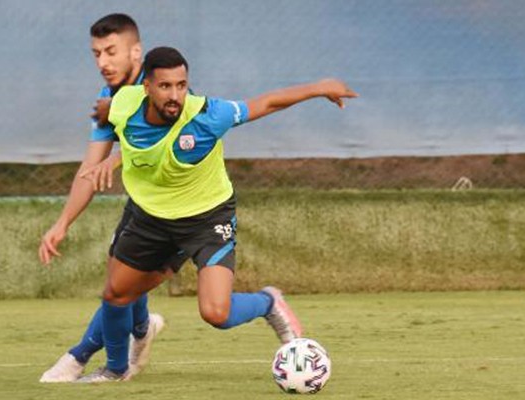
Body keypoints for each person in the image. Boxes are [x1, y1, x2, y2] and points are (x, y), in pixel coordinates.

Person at [73, 47, 358, 382]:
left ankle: (268, 302)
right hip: (153, 217)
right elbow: (116, 115)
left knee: (215, 313)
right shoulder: (124, 102)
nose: (175, 95)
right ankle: (115, 370)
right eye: (165, 86)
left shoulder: (208, 115)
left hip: (207, 218)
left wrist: (319, 88)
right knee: (116, 294)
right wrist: (109, 136)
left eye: (181, 85)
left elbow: (267, 103)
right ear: (146, 87)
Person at [38, 14, 179, 383]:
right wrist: (62, 223)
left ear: (136, 52)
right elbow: (90, 168)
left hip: (185, 210)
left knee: (123, 287)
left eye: (111, 51)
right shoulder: (108, 98)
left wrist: (118, 154)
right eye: (96, 53)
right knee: (121, 278)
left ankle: (80, 356)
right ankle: (140, 331)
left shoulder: (165, 88)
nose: (103, 62)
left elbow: (171, 144)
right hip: (146, 206)